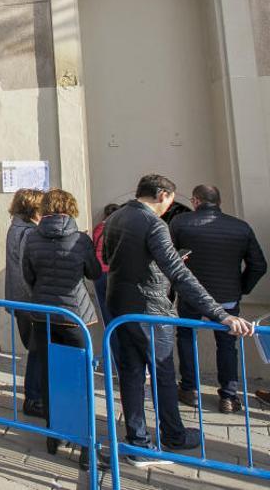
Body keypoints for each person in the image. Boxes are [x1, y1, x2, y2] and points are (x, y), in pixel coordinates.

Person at [103, 174, 254, 467]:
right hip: (150, 309)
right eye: (170, 201)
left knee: (132, 376)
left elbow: (113, 259)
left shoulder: (117, 216)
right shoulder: (153, 224)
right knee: (162, 376)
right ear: (162, 195)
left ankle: (138, 443)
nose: (168, 207)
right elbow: (179, 275)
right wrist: (220, 314)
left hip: (121, 307)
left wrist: (160, 266)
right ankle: (173, 435)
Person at [22, 189, 102, 471]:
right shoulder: (80, 239)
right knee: (80, 379)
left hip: (44, 314)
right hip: (74, 316)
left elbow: (27, 274)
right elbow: (94, 273)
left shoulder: (32, 237)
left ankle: (53, 434)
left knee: (50, 374)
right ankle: (84, 443)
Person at [170, 185, 267, 413]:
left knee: (186, 338)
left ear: (195, 201)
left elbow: (170, 260)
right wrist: (241, 288)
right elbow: (258, 264)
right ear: (218, 201)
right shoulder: (240, 227)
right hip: (227, 296)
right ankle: (229, 396)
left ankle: (190, 388)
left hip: (192, 296)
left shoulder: (181, 223)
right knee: (227, 344)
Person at [4, 188, 44, 417]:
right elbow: (27, 270)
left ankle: (34, 393)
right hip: (29, 300)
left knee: (35, 349)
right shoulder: (28, 232)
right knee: (38, 351)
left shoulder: (16, 227)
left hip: (19, 299)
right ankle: (34, 398)